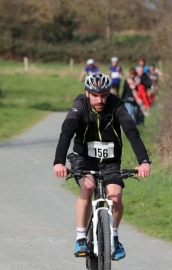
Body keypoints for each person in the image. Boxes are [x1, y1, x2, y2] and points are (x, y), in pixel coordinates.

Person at [53, 73, 151, 260]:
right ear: (87, 93)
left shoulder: (116, 104)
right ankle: (81, 237)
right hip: (83, 158)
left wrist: (144, 161)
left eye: (104, 95)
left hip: (110, 161)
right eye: (96, 95)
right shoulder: (79, 105)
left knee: (115, 195)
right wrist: (59, 161)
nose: (100, 100)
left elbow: (131, 130)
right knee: (88, 187)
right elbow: (66, 132)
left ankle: (113, 236)